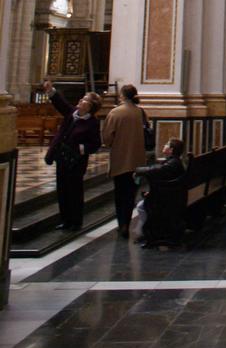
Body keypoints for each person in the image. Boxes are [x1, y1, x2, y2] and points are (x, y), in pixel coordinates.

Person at [43, 78, 102, 231]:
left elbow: (95, 144)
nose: (81, 100)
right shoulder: (72, 114)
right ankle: (65, 220)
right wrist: (51, 90)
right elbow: (60, 103)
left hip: (76, 161)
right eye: (82, 99)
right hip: (62, 157)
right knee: (62, 189)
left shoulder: (92, 123)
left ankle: (75, 221)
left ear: (90, 107)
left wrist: (81, 148)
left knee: (74, 191)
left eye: (84, 100)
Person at [102, 83, 148, 238]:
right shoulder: (140, 112)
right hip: (137, 161)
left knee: (120, 193)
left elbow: (107, 138)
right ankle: (126, 222)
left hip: (120, 159)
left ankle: (122, 223)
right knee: (130, 194)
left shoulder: (115, 113)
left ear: (122, 95)